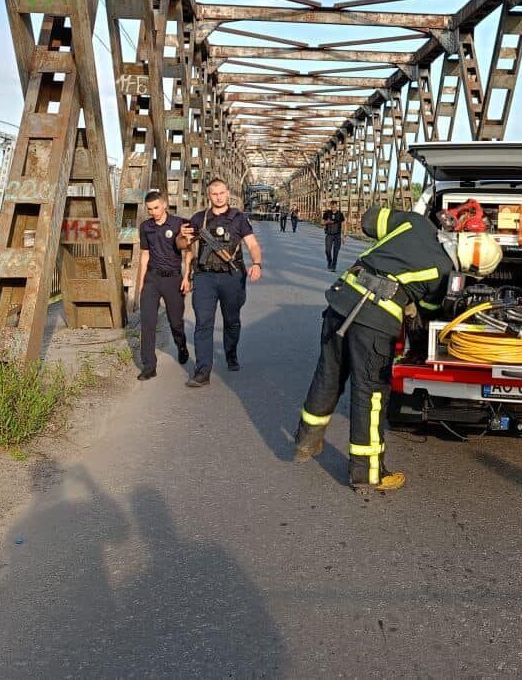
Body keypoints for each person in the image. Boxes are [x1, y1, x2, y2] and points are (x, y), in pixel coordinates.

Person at [293, 205, 484, 494]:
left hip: (340, 302)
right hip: (373, 324)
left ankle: (306, 442)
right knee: (369, 396)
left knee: (328, 374)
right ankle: (367, 474)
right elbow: (427, 314)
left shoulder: (418, 224)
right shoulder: (444, 271)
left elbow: (370, 221)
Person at [177, 178, 263, 387]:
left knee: (231, 320)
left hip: (232, 277)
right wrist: (181, 235)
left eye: (222, 193)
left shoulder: (239, 218)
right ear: (209, 196)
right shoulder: (199, 219)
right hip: (204, 276)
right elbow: (183, 245)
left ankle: (231, 353)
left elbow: (252, 244)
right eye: (214, 194)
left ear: (227, 194)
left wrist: (257, 263)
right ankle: (202, 371)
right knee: (203, 323)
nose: (218, 197)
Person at [136, 190, 191, 379]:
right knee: (147, 322)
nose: (153, 212)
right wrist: (141, 283)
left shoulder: (178, 224)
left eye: (156, 207)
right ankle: (149, 366)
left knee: (175, 322)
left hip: (173, 279)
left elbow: (188, 251)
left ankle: (181, 345)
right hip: (152, 278)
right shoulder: (145, 227)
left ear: (165, 204)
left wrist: (187, 277)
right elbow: (144, 255)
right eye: (149, 209)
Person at [321, 200, 346, 271]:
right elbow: (322, 223)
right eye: (332, 207)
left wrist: (344, 236)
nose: (333, 208)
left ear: (336, 206)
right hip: (329, 235)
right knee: (327, 250)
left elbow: (344, 224)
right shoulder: (327, 213)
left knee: (336, 251)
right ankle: (329, 261)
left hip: (337, 235)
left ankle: (333, 266)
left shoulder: (340, 214)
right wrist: (327, 222)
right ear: (330, 206)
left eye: (334, 206)